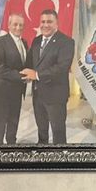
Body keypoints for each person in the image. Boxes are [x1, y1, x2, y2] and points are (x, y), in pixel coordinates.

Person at [21, 8, 75, 144]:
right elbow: (31, 64)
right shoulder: (36, 40)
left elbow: (61, 68)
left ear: (57, 23)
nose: (45, 25)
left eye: (49, 22)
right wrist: (25, 74)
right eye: (43, 21)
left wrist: (36, 75)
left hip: (56, 96)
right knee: (42, 129)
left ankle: (59, 155)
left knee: (58, 132)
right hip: (38, 95)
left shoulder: (67, 42)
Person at [0, 14, 28, 145]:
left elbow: (25, 64)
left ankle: (11, 144)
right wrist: (22, 76)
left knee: (14, 119)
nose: (18, 27)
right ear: (9, 25)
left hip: (17, 90)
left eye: (21, 25)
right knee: (0, 122)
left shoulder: (24, 43)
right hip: (2, 90)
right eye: (15, 24)